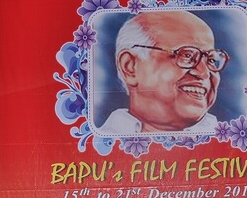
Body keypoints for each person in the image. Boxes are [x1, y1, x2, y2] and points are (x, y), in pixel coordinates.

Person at [97, 10, 229, 134]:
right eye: (187, 55)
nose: (204, 73)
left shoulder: (229, 142)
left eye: (211, 60)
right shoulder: (99, 142)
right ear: (130, 66)